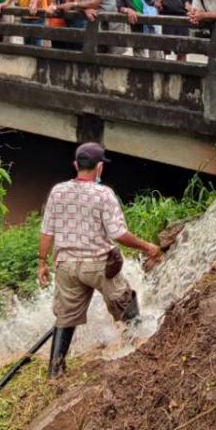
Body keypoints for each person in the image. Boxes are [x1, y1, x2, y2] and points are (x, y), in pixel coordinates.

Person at [38, 142, 162, 378]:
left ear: (75, 165)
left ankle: (55, 370)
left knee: (65, 317)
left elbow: (47, 231)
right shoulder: (104, 194)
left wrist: (42, 262)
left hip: (66, 266)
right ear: (99, 168)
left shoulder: (57, 191)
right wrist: (147, 247)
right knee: (123, 301)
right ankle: (140, 344)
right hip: (99, 265)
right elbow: (118, 234)